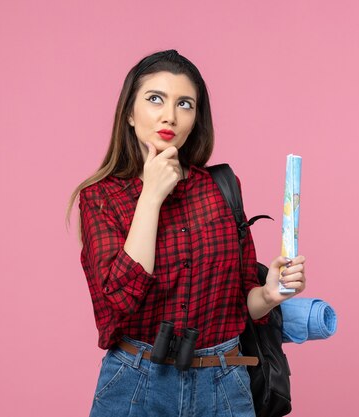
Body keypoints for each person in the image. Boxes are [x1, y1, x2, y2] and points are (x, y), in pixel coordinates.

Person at [66, 49, 306, 417]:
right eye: (155, 99)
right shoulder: (100, 197)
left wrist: (270, 294)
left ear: (196, 118)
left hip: (223, 383)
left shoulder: (220, 188)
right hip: (136, 382)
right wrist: (150, 198)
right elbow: (119, 299)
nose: (170, 115)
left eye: (185, 104)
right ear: (129, 113)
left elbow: (242, 304)